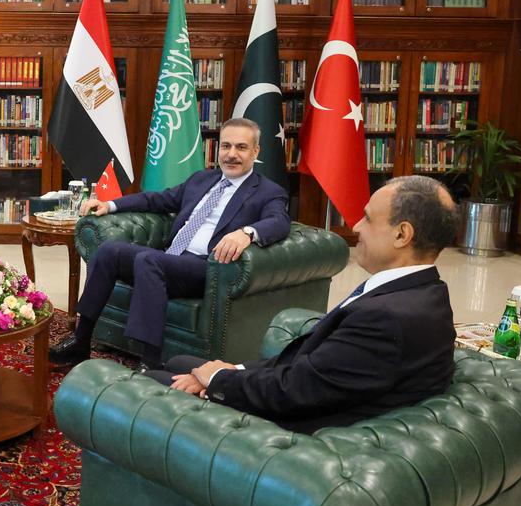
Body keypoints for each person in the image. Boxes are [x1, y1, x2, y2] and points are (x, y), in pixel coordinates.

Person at [151, 175, 460, 434]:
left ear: (402, 234)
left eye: (367, 218)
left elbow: (297, 391)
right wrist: (235, 368)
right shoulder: (427, 292)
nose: (356, 227)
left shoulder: (386, 318)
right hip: (307, 394)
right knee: (181, 364)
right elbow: (316, 370)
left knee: (149, 383)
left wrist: (220, 381)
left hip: (290, 429)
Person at [51, 118, 291, 370]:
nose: (231, 154)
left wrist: (247, 233)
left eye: (241, 147)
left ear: (256, 151)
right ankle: (81, 340)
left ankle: (150, 362)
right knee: (110, 250)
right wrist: (110, 205)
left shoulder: (267, 191)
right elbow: (158, 199)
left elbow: (280, 221)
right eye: (226, 146)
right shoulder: (202, 179)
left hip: (205, 269)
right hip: (170, 259)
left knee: (149, 259)